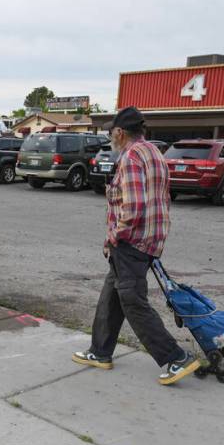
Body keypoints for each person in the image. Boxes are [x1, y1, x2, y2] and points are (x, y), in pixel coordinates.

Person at [72, 106, 200, 385]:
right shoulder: (154, 152)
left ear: (120, 132)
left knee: (132, 301)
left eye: (111, 132)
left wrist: (114, 237)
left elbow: (135, 207)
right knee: (112, 296)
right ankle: (100, 351)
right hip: (149, 239)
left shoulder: (130, 157)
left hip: (131, 242)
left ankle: (175, 357)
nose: (110, 137)